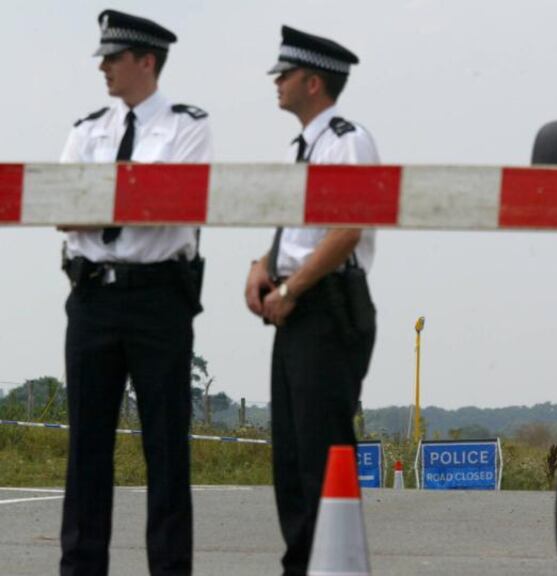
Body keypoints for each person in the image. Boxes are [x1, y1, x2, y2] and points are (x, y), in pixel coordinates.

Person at [58, 9, 211, 576]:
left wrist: (101, 202)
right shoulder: (88, 127)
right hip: (93, 296)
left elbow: (174, 204)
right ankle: (80, 568)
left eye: (114, 57)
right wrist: (132, 199)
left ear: (146, 61)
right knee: (86, 449)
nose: (103, 67)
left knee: (166, 448)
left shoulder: (187, 126)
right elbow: (61, 207)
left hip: (158, 299)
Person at [244, 25, 378, 575]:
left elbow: (346, 229)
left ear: (315, 82)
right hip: (296, 305)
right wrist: (262, 267)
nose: (277, 81)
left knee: (320, 450)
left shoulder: (347, 140)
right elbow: (299, 232)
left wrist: (293, 289)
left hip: (326, 304)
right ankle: (301, 565)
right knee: (292, 455)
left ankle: (330, 565)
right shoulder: (304, 147)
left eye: (286, 73)